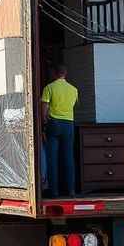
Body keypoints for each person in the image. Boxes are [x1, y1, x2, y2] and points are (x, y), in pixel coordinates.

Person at [41, 64, 79, 197]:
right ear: (65, 74)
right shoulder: (73, 90)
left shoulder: (49, 88)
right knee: (68, 158)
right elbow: (73, 105)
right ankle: (71, 190)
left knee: (52, 159)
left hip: (54, 124)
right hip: (69, 124)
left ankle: (54, 192)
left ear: (54, 74)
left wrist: (44, 124)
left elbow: (44, 110)